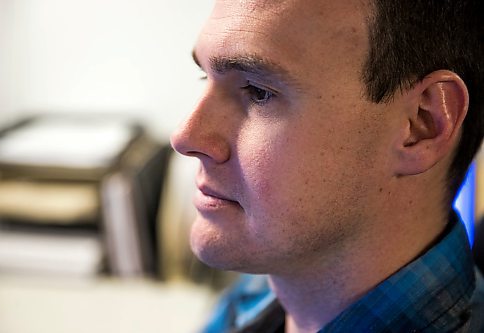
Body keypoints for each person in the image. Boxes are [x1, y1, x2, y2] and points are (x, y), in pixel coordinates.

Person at [170, 0, 484, 332]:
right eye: (205, 74)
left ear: (422, 126)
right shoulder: (252, 297)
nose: (185, 137)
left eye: (258, 92)